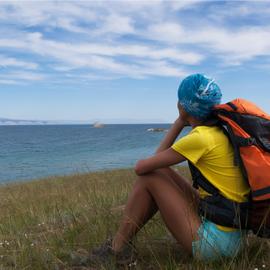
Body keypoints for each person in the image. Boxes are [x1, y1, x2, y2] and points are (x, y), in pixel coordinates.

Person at [72, 74, 250, 266]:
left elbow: (144, 166)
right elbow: (159, 165)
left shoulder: (200, 138)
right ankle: (123, 243)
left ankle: (117, 248)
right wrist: (184, 118)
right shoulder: (221, 132)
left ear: (183, 105)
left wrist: (180, 121)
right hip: (235, 237)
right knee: (161, 171)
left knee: (149, 176)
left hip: (215, 246)